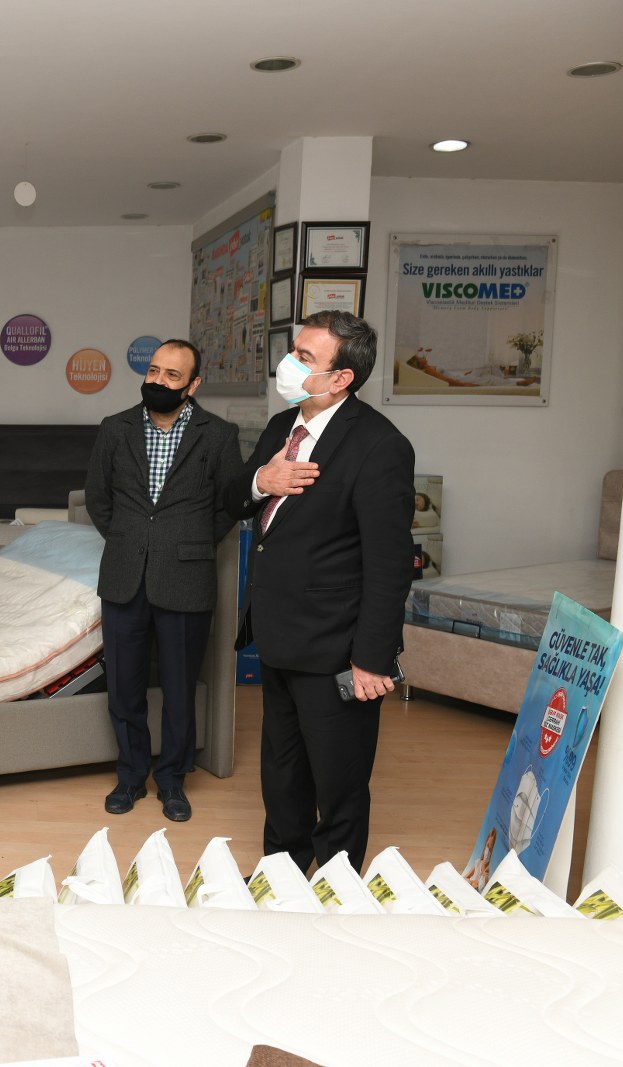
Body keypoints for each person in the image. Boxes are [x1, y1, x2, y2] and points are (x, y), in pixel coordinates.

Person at [223, 310, 414, 874]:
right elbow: (234, 499)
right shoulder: (283, 425)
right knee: (282, 769)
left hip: (336, 644)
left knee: (339, 778)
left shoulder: (380, 445)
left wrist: (372, 658)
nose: (288, 363)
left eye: (304, 357)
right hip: (278, 632)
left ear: (341, 378)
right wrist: (262, 481)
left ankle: (336, 884)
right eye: (293, 351)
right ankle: (282, 870)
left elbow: (389, 565)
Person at [86, 339, 242, 821]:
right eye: (154, 371)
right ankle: (131, 776)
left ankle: (173, 780)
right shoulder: (115, 428)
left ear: (193, 385)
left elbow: (228, 506)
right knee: (124, 690)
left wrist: (187, 544)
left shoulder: (219, 435)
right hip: (124, 576)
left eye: (172, 375)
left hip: (186, 578)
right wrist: (132, 541)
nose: (158, 380)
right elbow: (98, 499)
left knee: (179, 691)